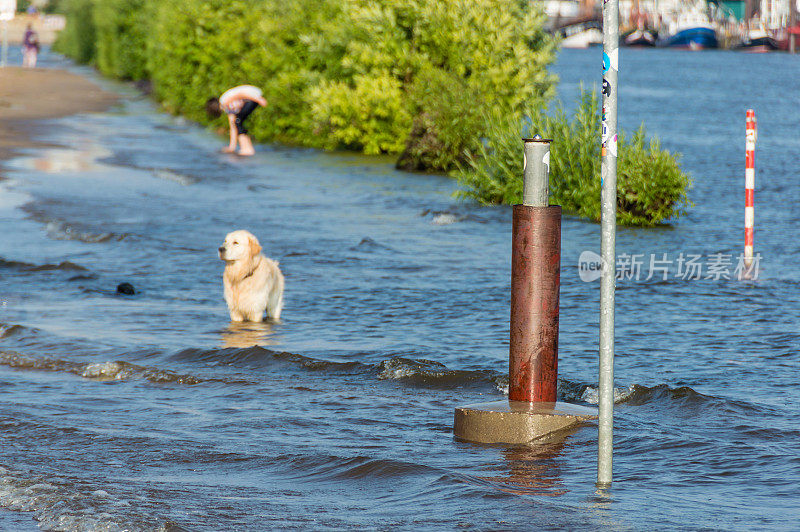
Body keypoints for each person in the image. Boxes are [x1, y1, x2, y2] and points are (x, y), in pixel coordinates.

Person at [205, 85, 267, 156]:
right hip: (251, 97)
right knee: (237, 122)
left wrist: (258, 99)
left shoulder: (224, 101)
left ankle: (248, 149)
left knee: (238, 121)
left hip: (252, 95)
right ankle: (245, 148)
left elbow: (241, 94)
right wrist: (231, 148)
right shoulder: (226, 107)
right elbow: (233, 126)